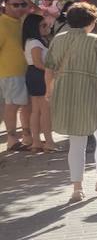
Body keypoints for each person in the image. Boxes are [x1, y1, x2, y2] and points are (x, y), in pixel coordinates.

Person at [47, 2, 97, 202]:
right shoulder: (96, 41)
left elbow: (49, 70)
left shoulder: (58, 39)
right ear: (91, 21)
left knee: (77, 143)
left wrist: (49, 92)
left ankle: (77, 188)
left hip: (67, 95)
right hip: (95, 95)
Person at [0, 0, 33, 152]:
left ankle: (27, 136)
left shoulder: (22, 22)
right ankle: (12, 138)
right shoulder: (2, 24)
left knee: (26, 104)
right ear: (5, 5)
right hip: (10, 72)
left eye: (22, 5)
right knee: (12, 105)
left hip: (27, 70)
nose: (19, 8)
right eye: (15, 5)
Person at [22, 12, 55, 153]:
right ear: (34, 27)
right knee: (45, 110)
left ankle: (36, 141)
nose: (46, 27)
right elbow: (38, 63)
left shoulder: (30, 41)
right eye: (42, 25)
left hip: (33, 75)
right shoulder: (35, 42)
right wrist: (54, 71)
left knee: (36, 110)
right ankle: (49, 142)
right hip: (40, 74)